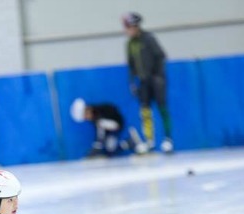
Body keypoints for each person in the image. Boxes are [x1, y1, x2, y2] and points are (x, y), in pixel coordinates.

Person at [123, 12, 173, 153]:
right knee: (145, 110)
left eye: (129, 27)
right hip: (143, 81)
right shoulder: (130, 44)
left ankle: (168, 139)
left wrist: (158, 76)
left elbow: (161, 56)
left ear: (136, 26)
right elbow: (131, 64)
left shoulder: (149, 39)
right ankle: (149, 141)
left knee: (162, 108)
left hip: (156, 79)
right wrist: (132, 82)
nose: (127, 30)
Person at [70, 99, 148, 157]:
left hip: (116, 125)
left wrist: (97, 146)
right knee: (110, 151)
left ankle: (132, 142)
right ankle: (129, 143)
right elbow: (101, 133)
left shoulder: (99, 113)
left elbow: (101, 130)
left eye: (85, 116)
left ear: (87, 109)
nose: (87, 118)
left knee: (100, 123)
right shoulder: (95, 117)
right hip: (111, 132)